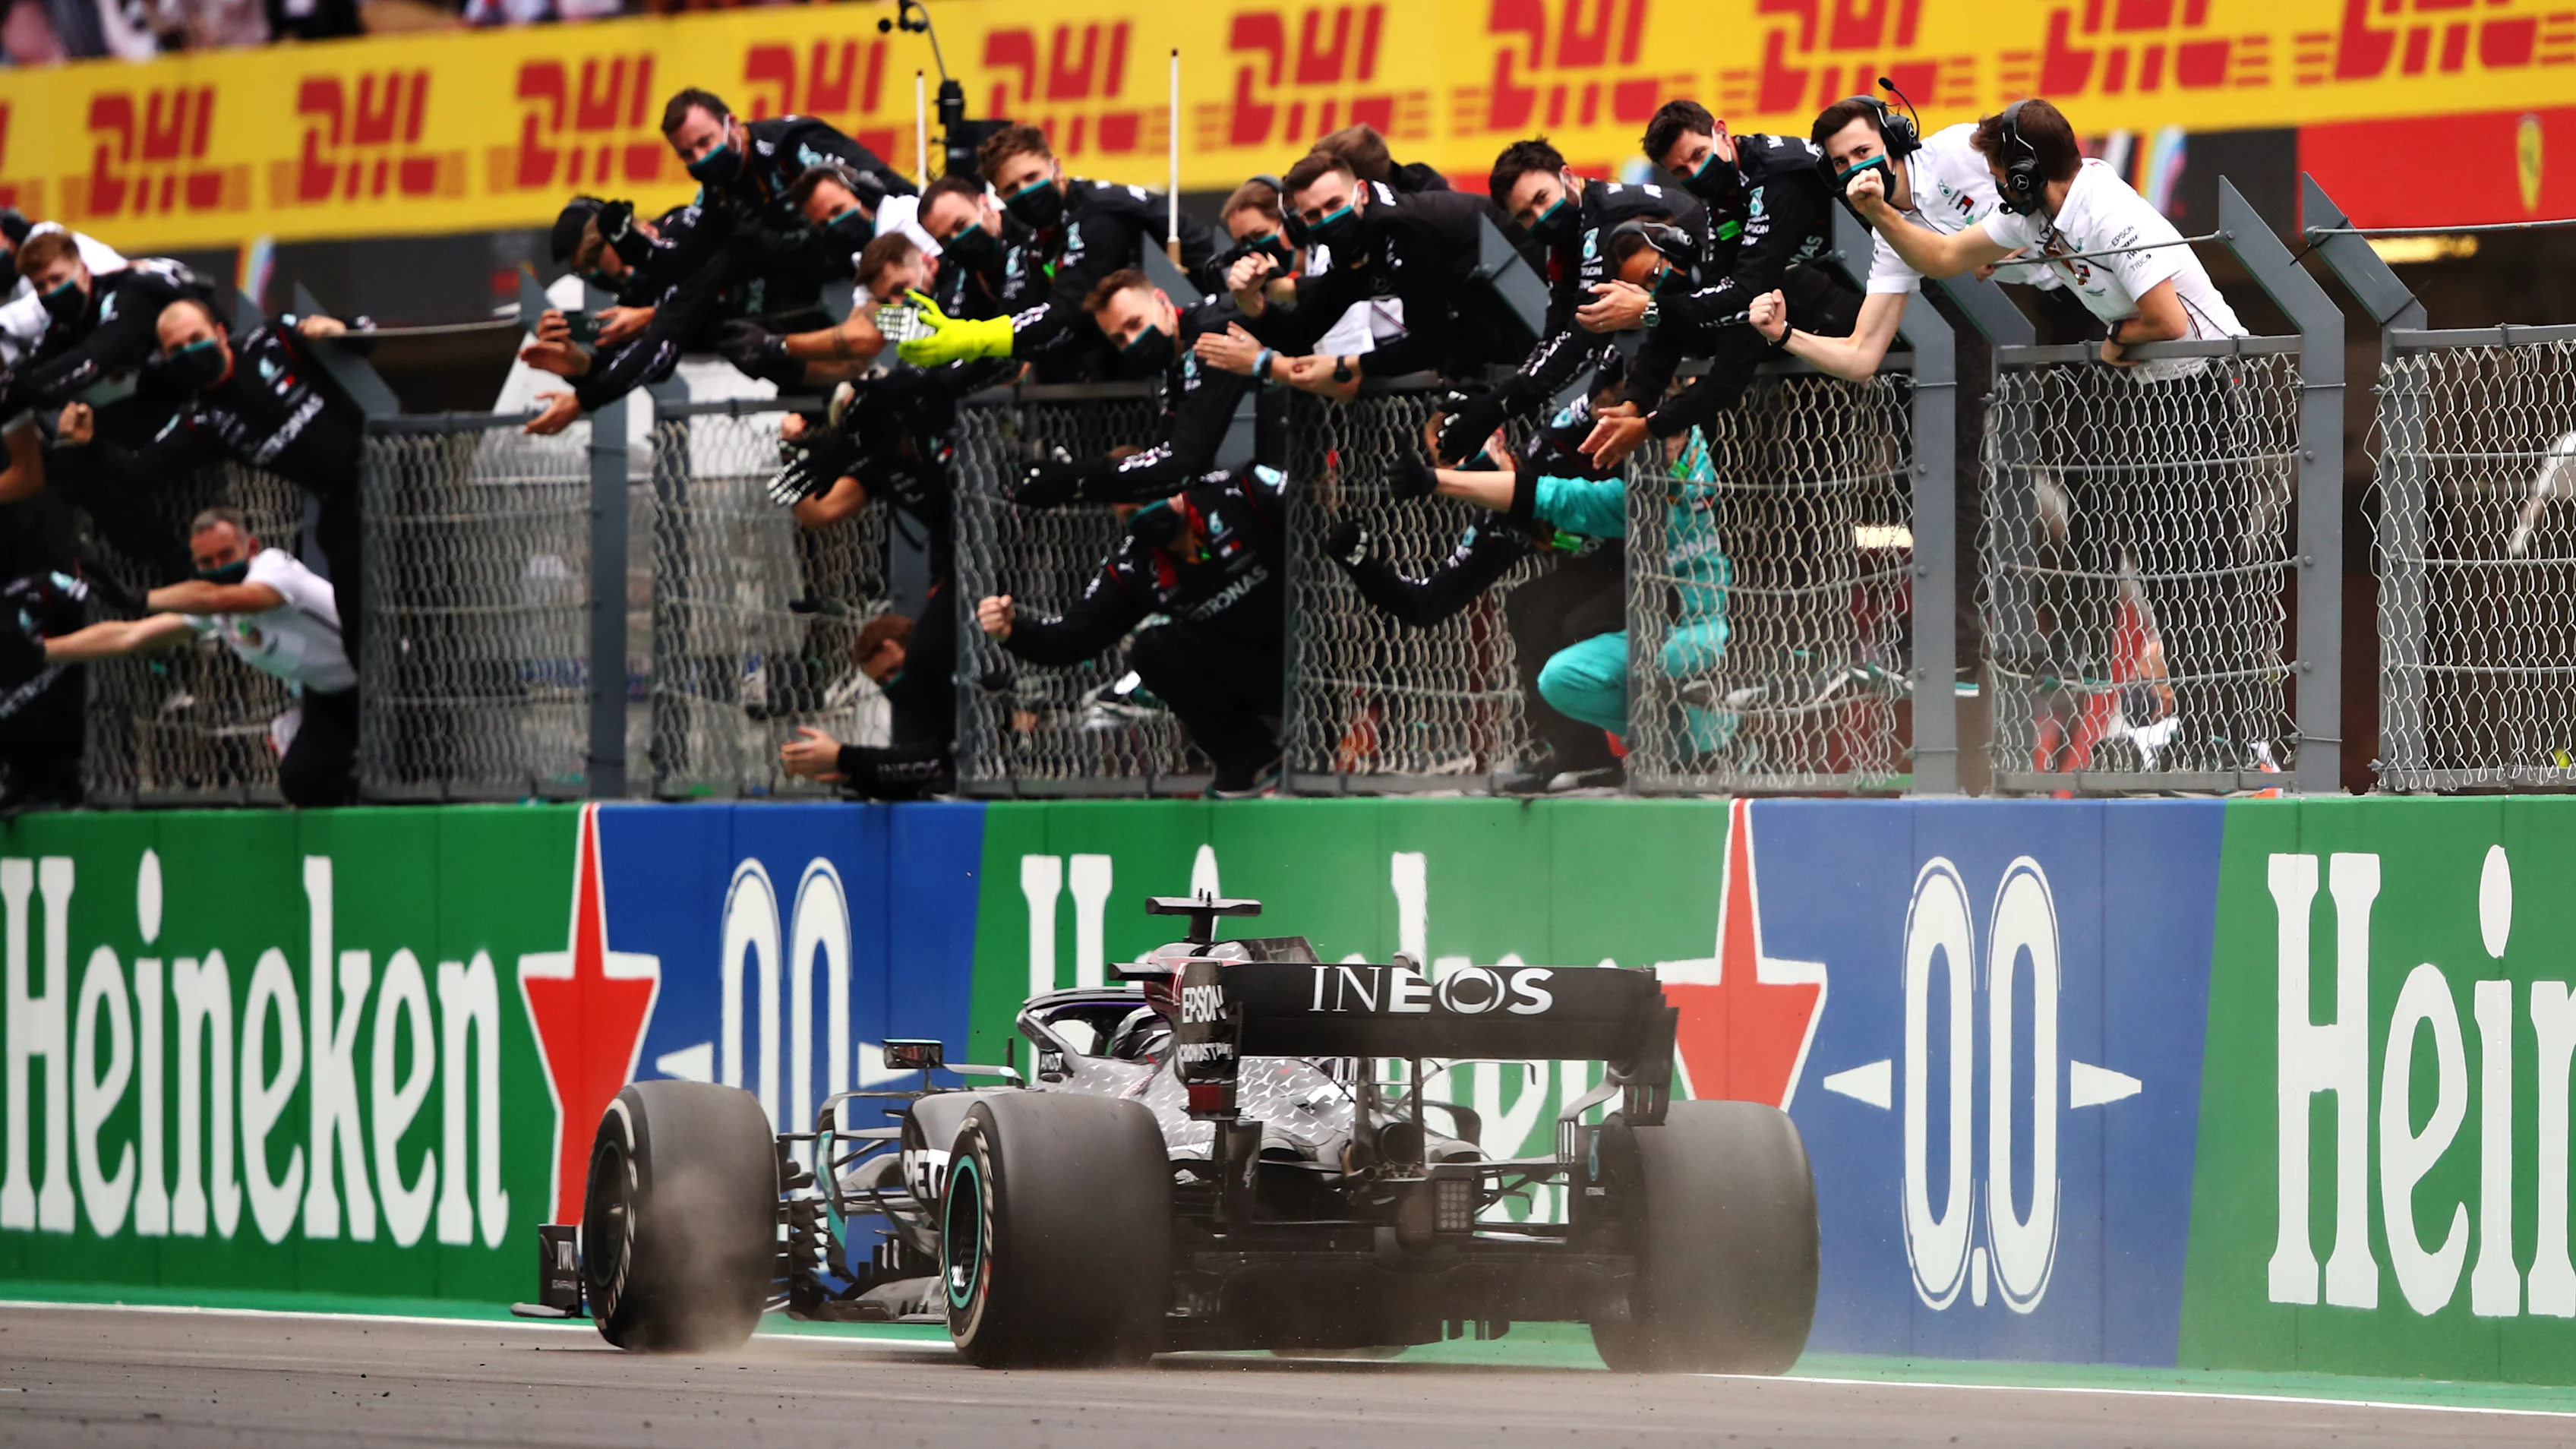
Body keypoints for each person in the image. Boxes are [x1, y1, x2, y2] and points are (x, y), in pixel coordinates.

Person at [1333, 384, 1631, 791]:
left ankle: (1660, 732)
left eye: (1466, 444)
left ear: (1497, 435)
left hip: (1663, 554)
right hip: (1609, 576)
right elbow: (1427, 603)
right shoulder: (1498, 525)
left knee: (1581, 618)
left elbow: (1609, 380)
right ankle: (1584, 756)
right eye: (1446, 458)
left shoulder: (1559, 439)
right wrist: (1360, 563)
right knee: (1531, 605)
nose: (1462, 463)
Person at [52, 297, 373, 661]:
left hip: (389, 470)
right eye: (177, 349)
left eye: (196, 338)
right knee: (362, 636)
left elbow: (368, 334)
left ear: (220, 333)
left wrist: (342, 329)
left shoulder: (275, 340)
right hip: (339, 504)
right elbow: (139, 474)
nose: (190, 352)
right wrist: (89, 444)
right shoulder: (205, 421)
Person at [1843, 97, 2244, 374]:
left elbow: (2168, 321)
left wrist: (2116, 338)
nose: (1997, 188)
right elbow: (1943, 256)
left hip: (2212, 367)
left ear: (2025, 174)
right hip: (2163, 375)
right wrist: (1878, 210)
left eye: (2000, 178)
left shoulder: (2108, 211)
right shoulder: (2029, 217)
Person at [976, 464, 1290, 796]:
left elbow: (1311, 510)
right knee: (1152, 647)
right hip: (1247, 676)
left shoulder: (1234, 493)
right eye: (1125, 507)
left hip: (1309, 654)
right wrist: (1011, 631)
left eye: (1143, 497)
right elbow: (1074, 637)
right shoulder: (1132, 565)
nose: (1137, 510)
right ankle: (1253, 761)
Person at [1582, 100, 1857, 469]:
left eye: (1699, 154)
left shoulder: (1776, 175)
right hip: (1841, 335)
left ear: (1722, 133)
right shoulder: (1724, 196)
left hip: (1923, 296)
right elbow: (1716, 297)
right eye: (1681, 170)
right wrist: (1635, 403)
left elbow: (1744, 295)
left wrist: (1649, 310)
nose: (1695, 171)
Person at [29, 507, 356, 807]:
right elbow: (130, 635)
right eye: (206, 562)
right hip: (326, 698)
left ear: (251, 548)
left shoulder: (275, 569)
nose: (218, 567)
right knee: (303, 783)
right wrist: (41, 652)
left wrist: (140, 597)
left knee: (386, 765)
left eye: (226, 555)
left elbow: (240, 599)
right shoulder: (211, 606)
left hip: (373, 683)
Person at [1440, 136, 1709, 461]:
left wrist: (1497, 407)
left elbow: (1584, 333)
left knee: (1574, 433)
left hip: (1715, 330)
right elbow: (1555, 334)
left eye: (1542, 198)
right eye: (1525, 215)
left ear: (1567, 177)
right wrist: (1496, 402)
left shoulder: (1604, 217)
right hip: (1675, 339)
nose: (1540, 216)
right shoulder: (1564, 242)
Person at [896, 124, 1214, 377]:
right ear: (1001, 200)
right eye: (1011, 188)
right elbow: (1021, 313)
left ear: (1056, 169)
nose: (1025, 192)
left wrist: (972, 337)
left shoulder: (1097, 216)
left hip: (1210, 334)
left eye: (1032, 177)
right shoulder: (1039, 238)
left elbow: (1063, 313)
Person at [1235, 149, 1530, 393]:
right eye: (1313, 214)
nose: (1327, 219)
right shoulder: (1357, 242)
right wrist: (1252, 302)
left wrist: (1344, 366)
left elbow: (1429, 343)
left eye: (1334, 204)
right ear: (1301, 222)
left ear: (1361, 193)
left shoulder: (1400, 228)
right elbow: (1300, 333)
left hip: (1531, 315)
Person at [777, 611, 953, 800]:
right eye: (882, 682)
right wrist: (847, 775)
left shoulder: (953, 690)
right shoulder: (914, 713)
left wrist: (841, 757)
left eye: (894, 669)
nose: (892, 682)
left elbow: (933, 761)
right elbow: (909, 775)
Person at [0, 213, 122, 368]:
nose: (51, 290)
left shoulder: (48, 240)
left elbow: (35, 313)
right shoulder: (16, 280)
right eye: (40, 286)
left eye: (56, 279)